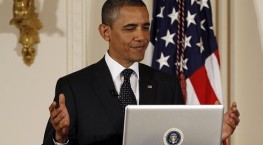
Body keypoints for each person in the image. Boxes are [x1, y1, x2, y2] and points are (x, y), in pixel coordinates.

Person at [42, 0, 240, 145]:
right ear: (105, 32)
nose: (142, 37)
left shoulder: (167, 85)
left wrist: (211, 135)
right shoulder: (75, 87)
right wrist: (60, 138)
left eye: (145, 27)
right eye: (130, 28)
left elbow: (178, 140)